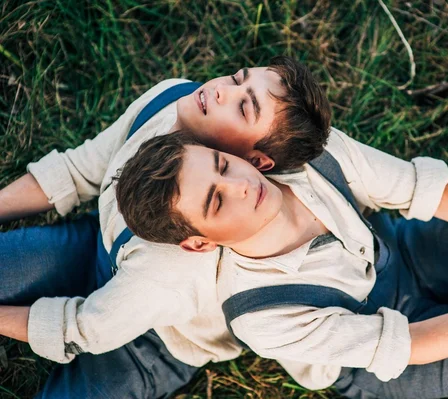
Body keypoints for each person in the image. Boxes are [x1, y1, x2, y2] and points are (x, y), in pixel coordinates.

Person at [117, 129, 448, 399]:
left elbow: (427, 189)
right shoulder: (259, 315)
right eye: (217, 202)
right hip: (387, 357)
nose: (241, 185)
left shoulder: (309, 159)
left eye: (223, 166)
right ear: (200, 244)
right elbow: (414, 344)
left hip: (406, 255)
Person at [0, 56, 331, 398]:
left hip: (156, 342)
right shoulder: (173, 99)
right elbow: (77, 170)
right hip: (100, 249)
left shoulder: (173, 266)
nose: (220, 92)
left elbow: (83, 328)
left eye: (243, 108)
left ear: (252, 162)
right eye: (236, 79)